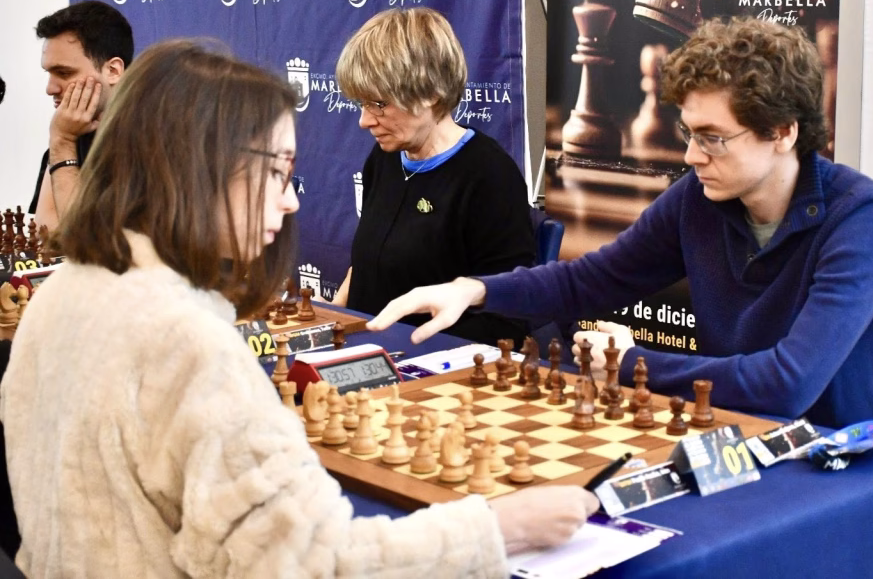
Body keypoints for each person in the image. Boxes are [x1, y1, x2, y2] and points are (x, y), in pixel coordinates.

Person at [0, 40, 596, 577]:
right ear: (199, 168)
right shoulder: (185, 342)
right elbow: (312, 564)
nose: (289, 202)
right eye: (277, 172)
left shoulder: (62, 292)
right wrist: (500, 529)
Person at [366, 17, 873, 429]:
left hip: (837, 462)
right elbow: (587, 281)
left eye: (713, 137)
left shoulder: (862, 218)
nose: (693, 156)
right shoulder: (698, 199)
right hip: (730, 434)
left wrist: (630, 362)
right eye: (689, 133)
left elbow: (790, 384)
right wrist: (474, 289)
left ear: (783, 132)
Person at [332, 7, 535, 346]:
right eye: (361, 104)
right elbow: (368, 268)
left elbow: (508, 319)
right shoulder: (384, 159)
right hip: (366, 353)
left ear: (430, 93)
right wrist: (333, 315)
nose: (364, 121)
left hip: (435, 369)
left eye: (378, 104)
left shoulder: (489, 177)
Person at [29, 0, 134, 231]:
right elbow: (47, 233)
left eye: (64, 73)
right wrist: (61, 143)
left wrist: (62, 143)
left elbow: (87, 243)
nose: (50, 88)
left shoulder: (155, 140)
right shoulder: (69, 136)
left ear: (113, 70)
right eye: (49, 73)